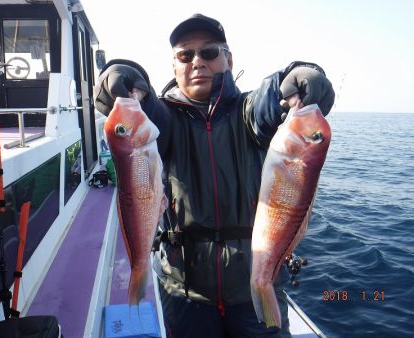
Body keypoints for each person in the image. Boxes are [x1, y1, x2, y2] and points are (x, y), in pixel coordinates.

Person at [95, 13, 334, 338]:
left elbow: (270, 104)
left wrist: (300, 77)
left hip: (253, 285)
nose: (197, 62)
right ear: (174, 66)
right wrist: (120, 75)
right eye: (185, 55)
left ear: (228, 59)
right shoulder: (163, 120)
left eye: (209, 52)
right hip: (183, 293)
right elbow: (143, 110)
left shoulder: (249, 112)